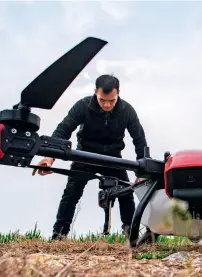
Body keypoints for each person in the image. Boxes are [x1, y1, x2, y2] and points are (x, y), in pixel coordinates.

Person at [32, 74, 148, 240]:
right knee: (71, 193)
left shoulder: (127, 110)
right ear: (95, 92)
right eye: (102, 100)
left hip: (113, 158)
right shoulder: (82, 106)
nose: (107, 104)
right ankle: (59, 236)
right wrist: (49, 158)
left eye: (112, 100)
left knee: (126, 194)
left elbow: (140, 140)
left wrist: (142, 172)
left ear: (118, 93)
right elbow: (62, 131)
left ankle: (132, 238)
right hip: (85, 155)